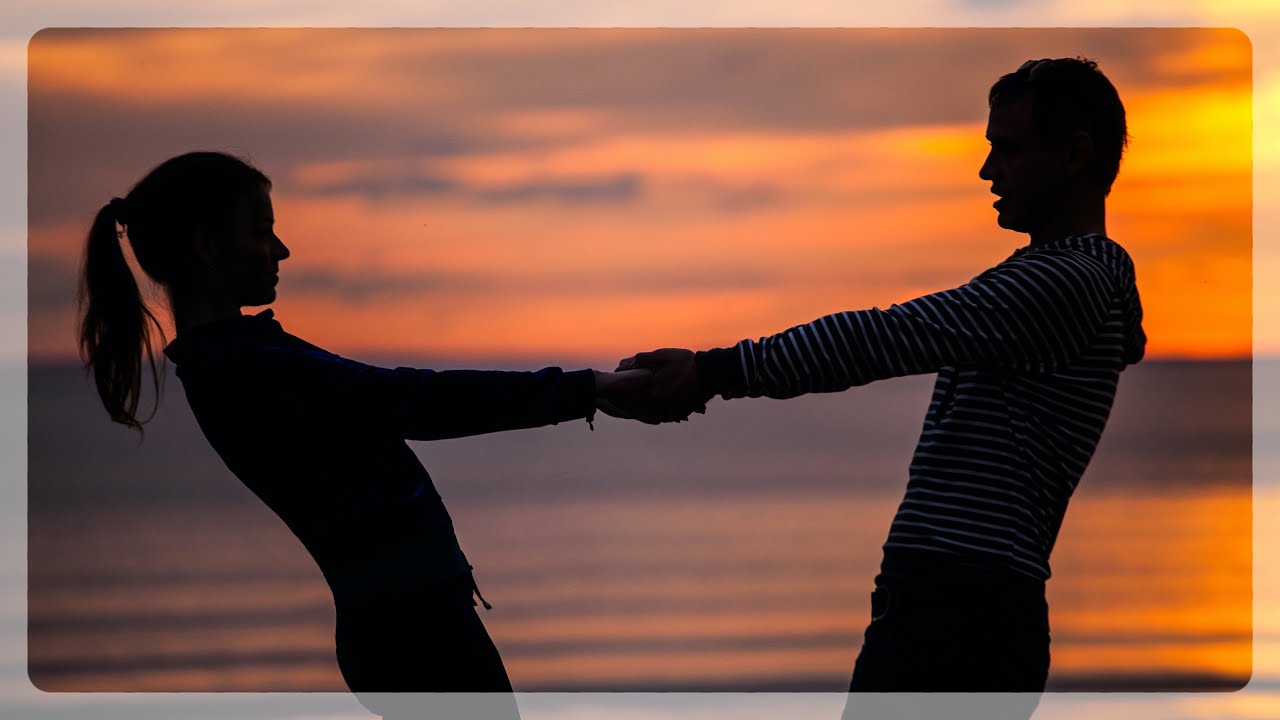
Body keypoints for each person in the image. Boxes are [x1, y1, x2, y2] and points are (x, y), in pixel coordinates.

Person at [603, 57, 1146, 717]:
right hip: (955, 608)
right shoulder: (1070, 280)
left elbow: (880, 338)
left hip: (963, 617)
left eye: (1007, 149)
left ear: (1075, 155)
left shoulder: (1066, 282)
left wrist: (713, 371)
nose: (987, 170)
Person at [76, 151, 650, 719]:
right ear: (207, 246)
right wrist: (588, 389)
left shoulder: (236, 361)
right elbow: (415, 400)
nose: (281, 250)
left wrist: (586, 391)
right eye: (261, 232)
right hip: (415, 635)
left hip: (405, 625)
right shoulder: (247, 368)